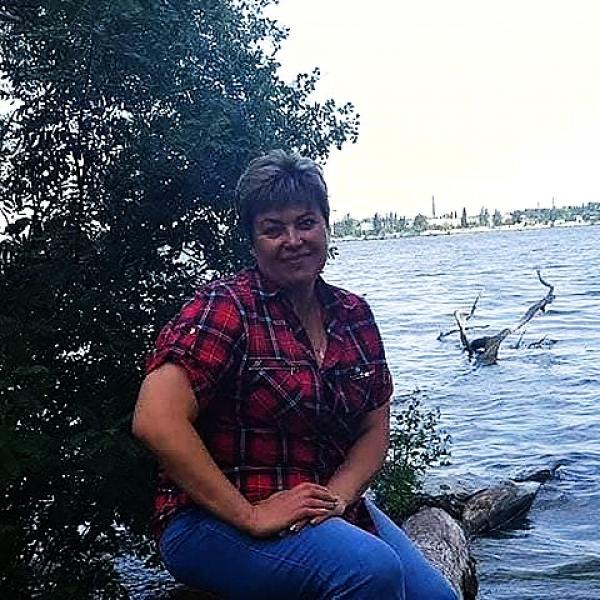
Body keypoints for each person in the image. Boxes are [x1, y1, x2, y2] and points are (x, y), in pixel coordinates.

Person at [132, 150, 458, 599]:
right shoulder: (226, 309)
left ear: (326, 226)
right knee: (370, 571)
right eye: (273, 229)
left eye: (305, 223)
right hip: (210, 518)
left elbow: (373, 429)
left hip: (318, 506)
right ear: (252, 242)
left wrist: (337, 498)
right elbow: (156, 420)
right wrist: (250, 515)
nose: (293, 240)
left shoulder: (352, 315)